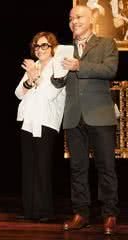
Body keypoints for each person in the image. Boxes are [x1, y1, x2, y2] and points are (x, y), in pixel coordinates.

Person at [51, 5, 119, 235]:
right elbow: (59, 83)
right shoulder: (65, 50)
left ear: (91, 20)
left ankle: (109, 214)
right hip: (73, 115)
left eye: (79, 17)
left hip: (99, 114)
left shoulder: (106, 44)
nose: (74, 22)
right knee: (77, 168)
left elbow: (110, 69)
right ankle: (81, 213)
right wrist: (56, 73)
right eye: (71, 18)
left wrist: (80, 65)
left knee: (106, 167)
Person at [15, 32, 66, 223]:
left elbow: (50, 94)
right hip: (28, 121)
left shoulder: (58, 66)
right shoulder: (34, 66)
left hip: (46, 121)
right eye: (36, 46)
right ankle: (30, 210)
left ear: (52, 47)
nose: (39, 49)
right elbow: (19, 93)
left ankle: (46, 210)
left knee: (42, 166)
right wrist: (30, 79)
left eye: (44, 45)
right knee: (28, 166)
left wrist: (36, 78)